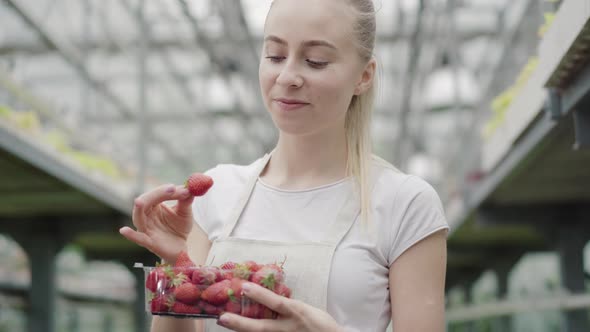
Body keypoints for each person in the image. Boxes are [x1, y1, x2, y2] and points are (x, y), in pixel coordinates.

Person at [120, 0, 449, 331]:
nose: (288, 76)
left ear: (363, 77)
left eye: (315, 61)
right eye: (275, 56)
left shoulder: (404, 203)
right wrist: (179, 267)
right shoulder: (219, 191)